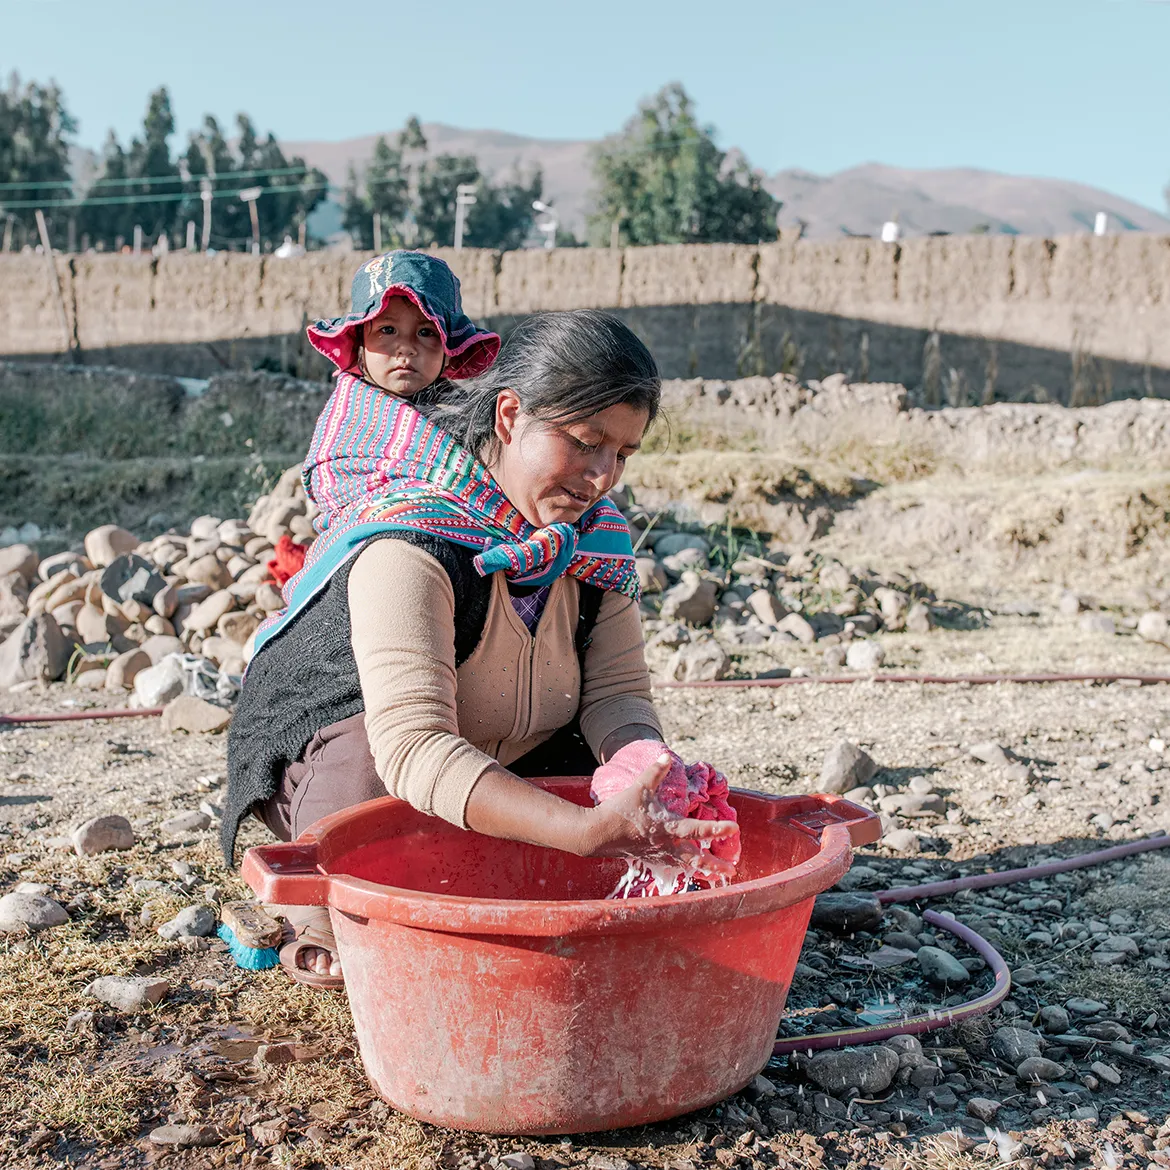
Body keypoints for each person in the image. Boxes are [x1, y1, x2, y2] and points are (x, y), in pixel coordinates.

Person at [222, 310, 737, 987]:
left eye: (623, 454)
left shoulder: (594, 543)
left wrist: (644, 769)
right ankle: (310, 925)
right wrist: (582, 832)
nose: (601, 476)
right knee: (370, 800)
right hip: (363, 765)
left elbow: (617, 696)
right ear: (509, 415)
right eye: (584, 442)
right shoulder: (413, 541)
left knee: (596, 841)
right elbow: (414, 749)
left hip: (506, 746)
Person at [302, 249, 500, 530]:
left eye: (426, 332)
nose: (406, 347)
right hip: (363, 540)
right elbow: (330, 483)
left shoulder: (469, 417)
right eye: (387, 330)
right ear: (360, 343)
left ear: (449, 349)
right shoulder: (347, 418)